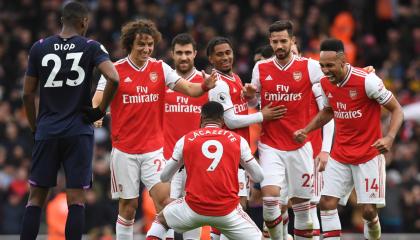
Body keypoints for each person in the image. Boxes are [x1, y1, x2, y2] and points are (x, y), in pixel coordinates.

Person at [93, 19, 217, 239]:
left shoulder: (160, 68)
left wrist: (204, 86)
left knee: (165, 203)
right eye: (141, 44)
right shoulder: (115, 69)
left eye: (150, 44)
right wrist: (97, 114)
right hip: (124, 151)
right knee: (128, 207)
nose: (146, 48)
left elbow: (189, 89)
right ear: (130, 43)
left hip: (153, 151)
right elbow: (98, 99)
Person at [20, 2, 119, 240]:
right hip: (78, 131)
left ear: (61, 21)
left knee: (36, 198)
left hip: (47, 130)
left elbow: (27, 94)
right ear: (84, 22)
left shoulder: (39, 47)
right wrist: (100, 110)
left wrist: (36, 127)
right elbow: (113, 78)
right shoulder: (91, 46)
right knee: (76, 199)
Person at [294, 38, 404, 240]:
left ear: (343, 61)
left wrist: (389, 137)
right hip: (341, 154)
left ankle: (372, 227)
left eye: (330, 65)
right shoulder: (326, 83)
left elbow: (397, 109)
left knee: (368, 211)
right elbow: (328, 111)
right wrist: (307, 129)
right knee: (326, 201)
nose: (325, 70)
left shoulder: (367, 81)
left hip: (369, 154)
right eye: (322, 66)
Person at [250, 20, 335, 240]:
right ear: (270, 41)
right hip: (270, 145)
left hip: (300, 147)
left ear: (293, 41)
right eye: (275, 41)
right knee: (270, 201)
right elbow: (254, 100)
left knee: (304, 212)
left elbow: (334, 79)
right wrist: (250, 95)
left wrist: (359, 72)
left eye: (283, 41)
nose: (279, 45)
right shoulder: (260, 68)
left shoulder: (309, 66)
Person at [146, 101, 264, 240]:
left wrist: (185, 160)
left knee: (161, 221)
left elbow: (164, 177)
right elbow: (259, 176)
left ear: (201, 118)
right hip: (227, 211)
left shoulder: (186, 139)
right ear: (222, 120)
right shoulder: (238, 141)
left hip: (193, 208)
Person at [206, 37, 285, 240]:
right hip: (226, 153)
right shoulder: (218, 84)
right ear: (210, 58)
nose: (225, 57)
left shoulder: (234, 78)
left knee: (235, 206)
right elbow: (230, 121)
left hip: (237, 152)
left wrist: (249, 97)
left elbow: (238, 108)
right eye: (220, 54)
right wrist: (262, 115)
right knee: (235, 207)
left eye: (228, 52)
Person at [164, 33, 208, 240]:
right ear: (172, 54)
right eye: (179, 53)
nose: (183, 57)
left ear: (195, 54)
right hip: (166, 157)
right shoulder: (162, 82)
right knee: (165, 208)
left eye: (187, 53)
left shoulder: (207, 83)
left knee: (194, 211)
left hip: (198, 159)